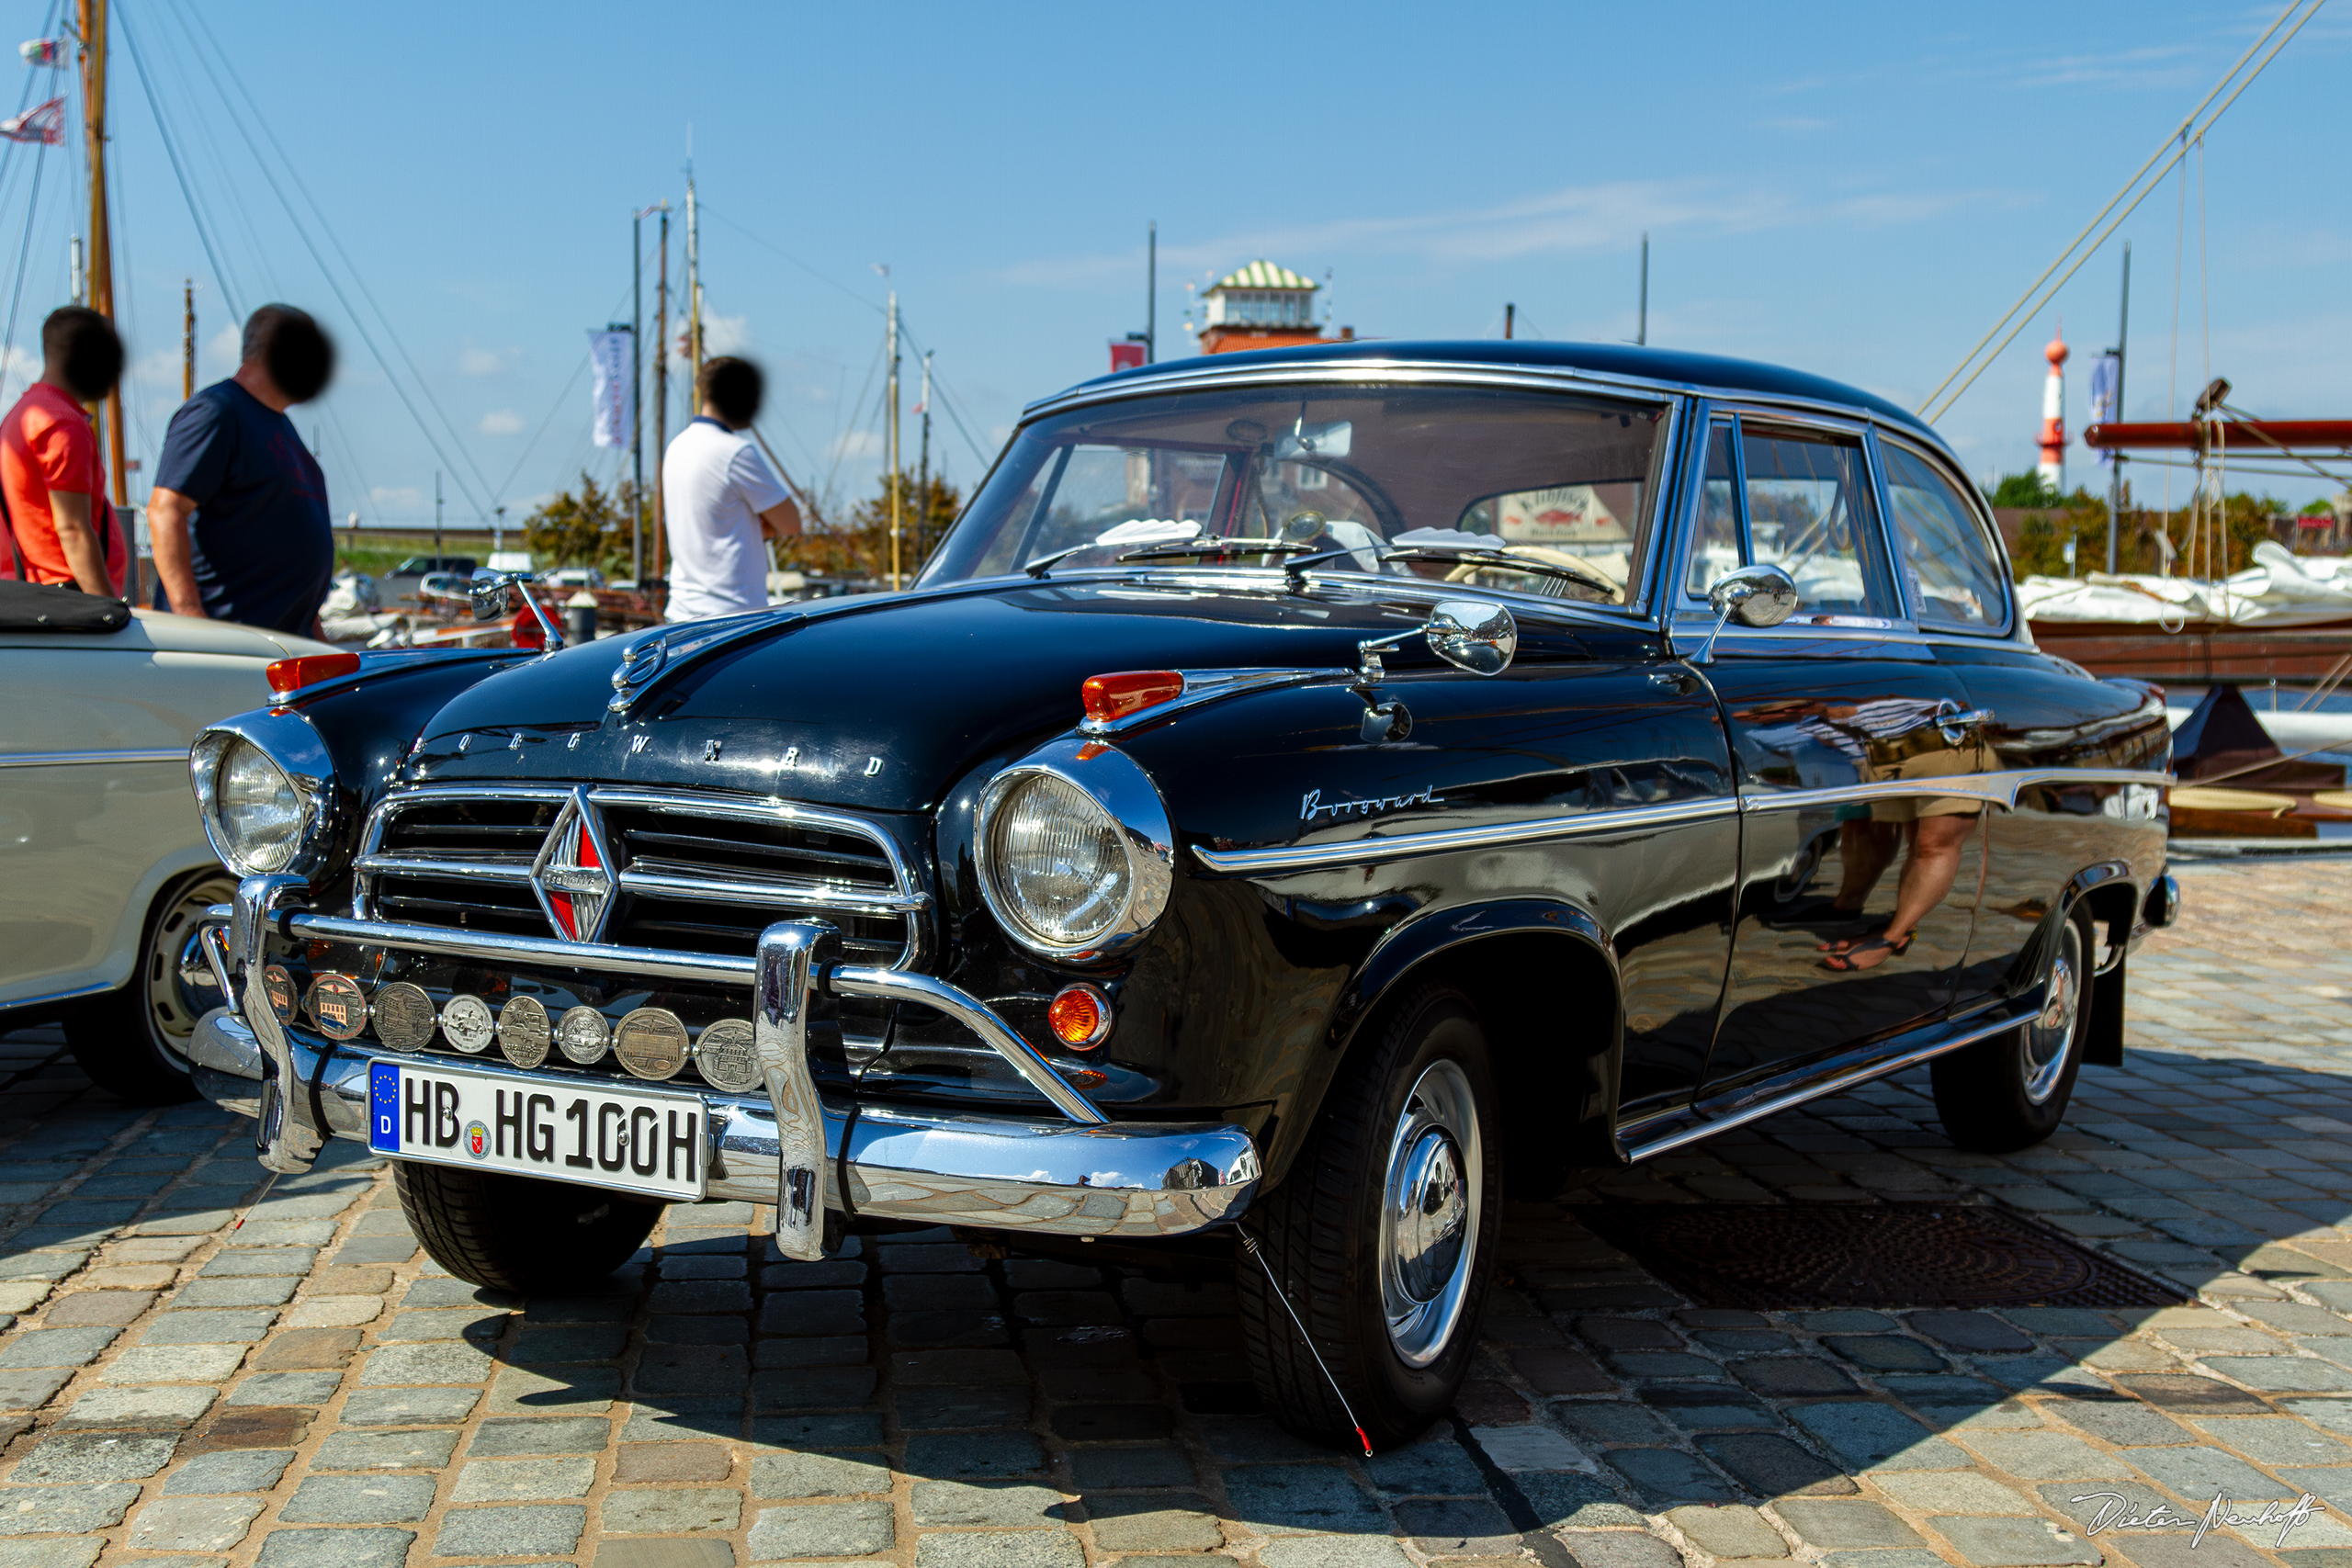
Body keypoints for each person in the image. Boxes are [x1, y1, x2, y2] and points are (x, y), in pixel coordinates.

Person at [148, 303, 335, 636]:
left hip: (285, 649)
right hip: (229, 650)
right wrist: (189, 616)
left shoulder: (283, 429)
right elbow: (165, 511)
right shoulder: (217, 412)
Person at [662, 355, 800, 622]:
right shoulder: (735, 452)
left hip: (680, 613)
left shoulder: (677, 447)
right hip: (731, 616)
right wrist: (762, 523)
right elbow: (792, 523)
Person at [0, 306, 128, 595]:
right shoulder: (61, 423)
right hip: (68, 596)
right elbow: (72, 529)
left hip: (40, 594)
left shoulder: (22, 414)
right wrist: (108, 609)